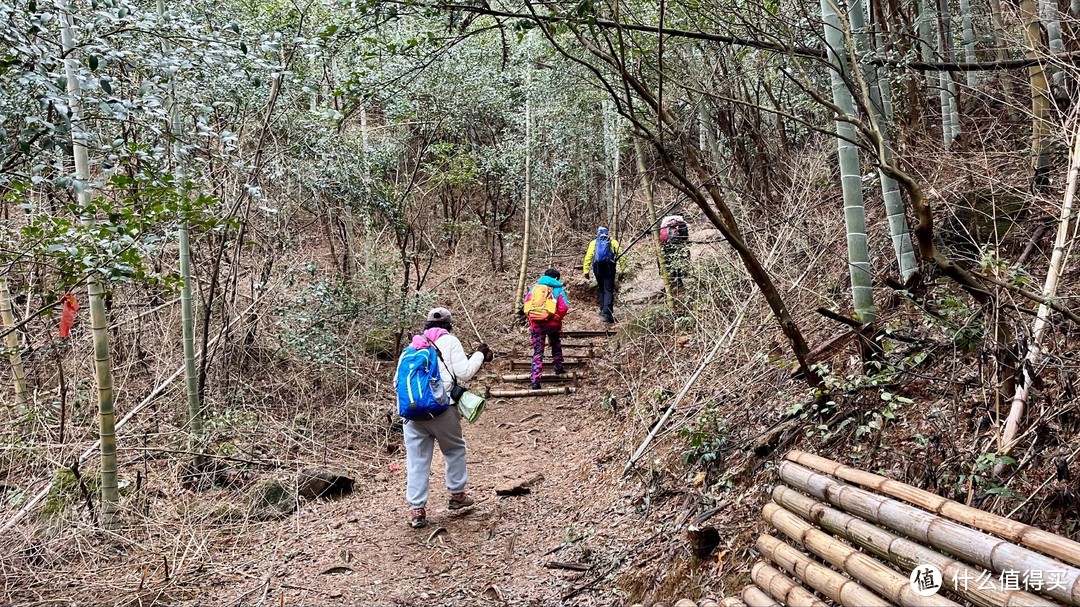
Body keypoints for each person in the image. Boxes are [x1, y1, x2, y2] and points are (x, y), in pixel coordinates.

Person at [397, 307, 492, 529]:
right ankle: (457, 495)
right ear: (448, 325)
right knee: (454, 449)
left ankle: (417, 510)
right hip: (443, 410)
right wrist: (480, 354)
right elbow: (465, 372)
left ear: (426, 326)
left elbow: (397, 383)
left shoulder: (411, 348)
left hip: (412, 414)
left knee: (417, 461)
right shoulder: (450, 342)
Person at [521, 268, 570, 390]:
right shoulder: (558, 289)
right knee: (555, 342)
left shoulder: (534, 289)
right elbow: (564, 307)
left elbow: (527, 307)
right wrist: (556, 318)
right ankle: (558, 367)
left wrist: (533, 320)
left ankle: (535, 379)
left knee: (538, 352)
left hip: (536, 325)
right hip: (552, 324)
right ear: (556, 279)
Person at [582, 226, 622, 324]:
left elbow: (588, 257)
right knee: (608, 289)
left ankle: (602, 310)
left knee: (601, 288)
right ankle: (607, 314)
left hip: (597, 269)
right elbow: (621, 255)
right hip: (609, 268)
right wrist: (624, 269)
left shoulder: (594, 243)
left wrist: (586, 271)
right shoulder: (613, 242)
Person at [659, 214, 690, 288]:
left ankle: (670, 282)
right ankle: (680, 280)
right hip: (678, 246)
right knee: (679, 263)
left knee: (669, 264)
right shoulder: (681, 223)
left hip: (666, 247)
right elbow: (685, 236)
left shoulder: (664, 224)